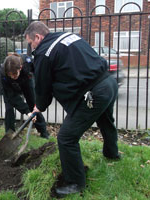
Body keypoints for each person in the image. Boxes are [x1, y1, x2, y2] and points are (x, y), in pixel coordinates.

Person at [24, 21, 120, 197]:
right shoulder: (68, 36)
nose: (31, 48)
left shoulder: (45, 52)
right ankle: (112, 153)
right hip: (108, 83)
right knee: (106, 120)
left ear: (37, 37)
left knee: (66, 138)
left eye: (30, 43)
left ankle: (76, 182)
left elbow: (43, 88)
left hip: (94, 93)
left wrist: (39, 107)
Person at [1, 53, 50, 139]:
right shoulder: (3, 72)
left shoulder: (27, 62)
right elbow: (11, 97)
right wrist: (27, 111)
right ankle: (9, 134)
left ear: (20, 68)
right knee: (9, 107)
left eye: (14, 74)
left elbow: (38, 72)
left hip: (26, 80)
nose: (12, 77)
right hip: (10, 86)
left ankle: (43, 132)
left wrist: (32, 111)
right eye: (10, 75)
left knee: (33, 104)